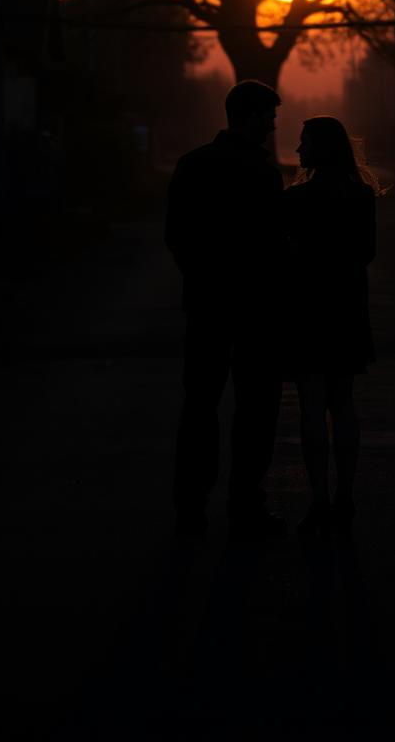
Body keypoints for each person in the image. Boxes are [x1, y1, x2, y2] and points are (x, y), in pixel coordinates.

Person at [165, 79, 286, 540]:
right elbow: (276, 246)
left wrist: (200, 274)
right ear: (252, 116)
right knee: (255, 409)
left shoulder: (192, 165)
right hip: (255, 309)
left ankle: (190, 505)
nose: (273, 127)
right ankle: (244, 502)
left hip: (206, 304)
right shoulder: (262, 172)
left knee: (200, 405)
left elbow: (175, 235)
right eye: (270, 118)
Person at [284, 116, 378, 540]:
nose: (298, 149)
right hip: (347, 306)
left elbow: (282, 254)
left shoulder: (297, 199)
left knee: (311, 406)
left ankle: (318, 498)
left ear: (319, 148)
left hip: (307, 306)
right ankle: (345, 494)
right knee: (343, 402)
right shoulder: (361, 195)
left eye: (303, 143)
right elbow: (367, 253)